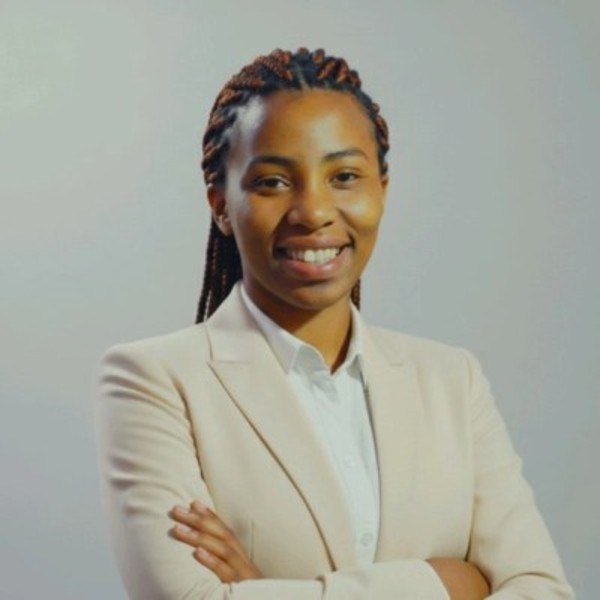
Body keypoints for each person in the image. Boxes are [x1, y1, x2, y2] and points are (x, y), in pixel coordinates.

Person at [93, 48, 574, 599]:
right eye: (273, 182)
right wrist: (446, 583)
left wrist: (265, 590)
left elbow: (544, 590)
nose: (314, 211)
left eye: (344, 176)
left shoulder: (452, 381)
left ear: (382, 191)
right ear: (221, 205)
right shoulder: (153, 381)